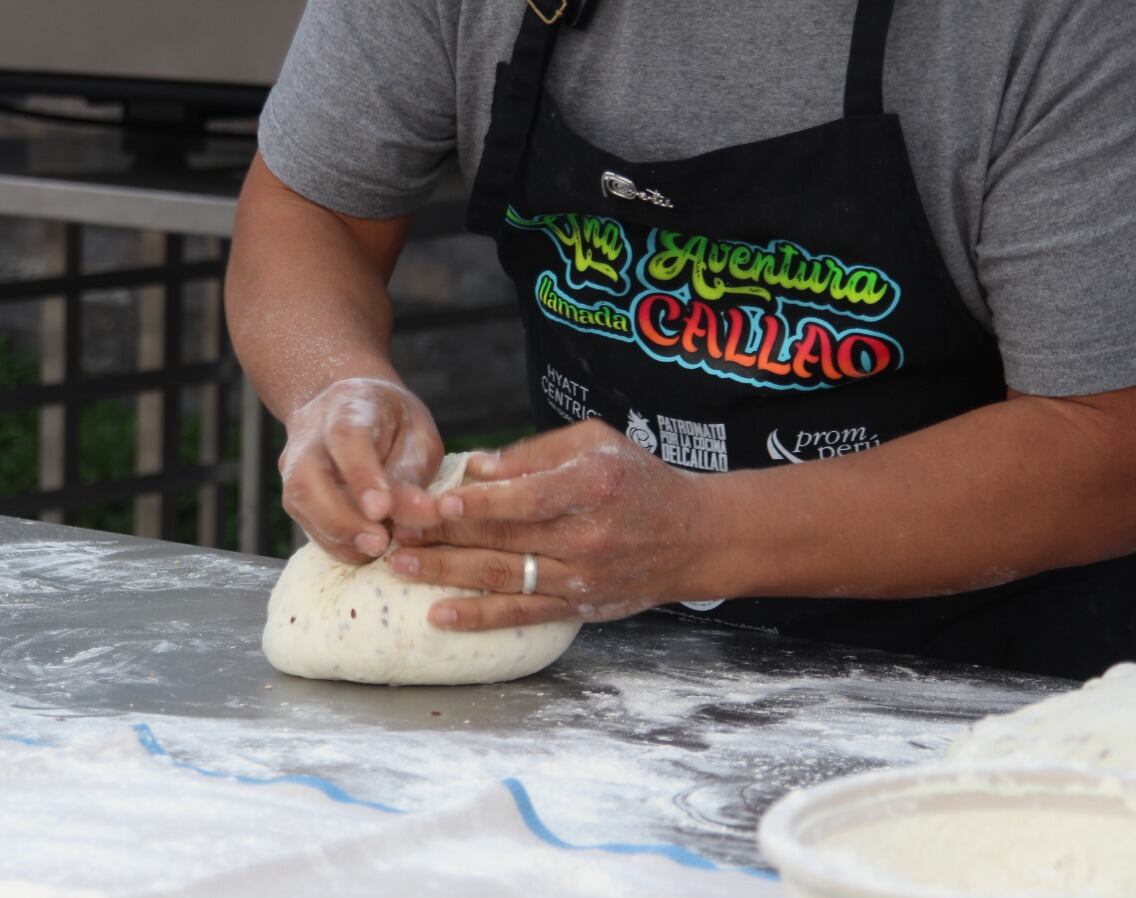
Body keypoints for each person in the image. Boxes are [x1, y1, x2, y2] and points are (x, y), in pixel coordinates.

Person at [223, 0, 1136, 680]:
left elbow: (1104, 433)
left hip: (996, 690)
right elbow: (314, 211)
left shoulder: (1052, 24)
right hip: (599, 674)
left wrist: (701, 533)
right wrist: (332, 384)